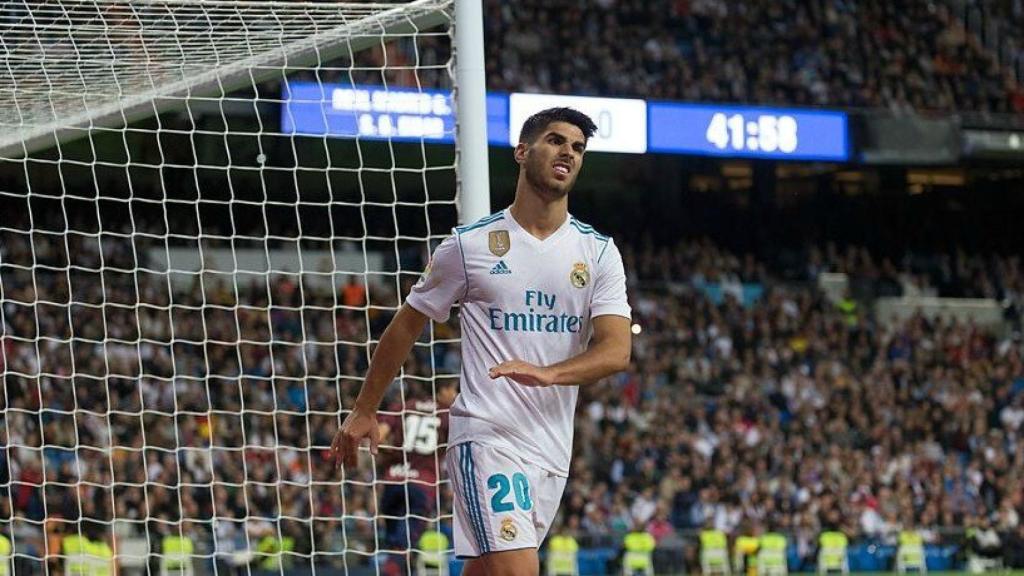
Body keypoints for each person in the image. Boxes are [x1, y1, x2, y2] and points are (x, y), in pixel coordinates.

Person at [333, 107, 632, 576]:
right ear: (522, 152)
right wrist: (366, 408)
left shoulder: (597, 252)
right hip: (486, 436)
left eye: (577, 147)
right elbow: (407, 324)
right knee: (518, 571)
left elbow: (616, 351)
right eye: (555, 141)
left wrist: (550, 373)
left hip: (552, 449)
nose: (568, 153)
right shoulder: (470, 246)